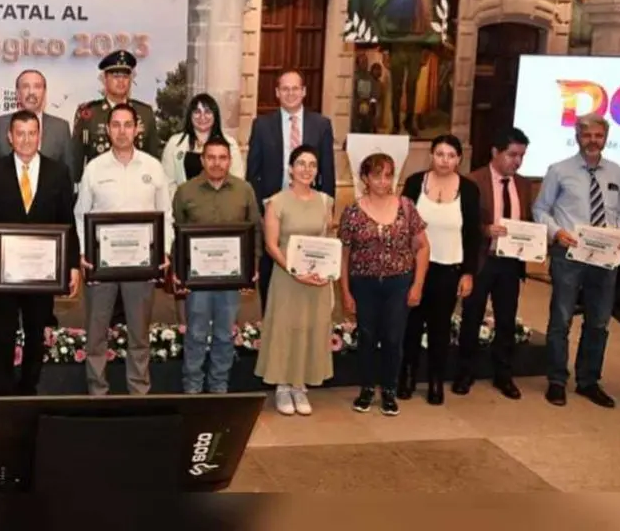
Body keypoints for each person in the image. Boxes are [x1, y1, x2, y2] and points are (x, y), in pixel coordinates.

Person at [0, 110, 82, 395]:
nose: (25, 139)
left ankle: (28, 391)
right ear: (9, 137)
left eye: (31, 133)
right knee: (3, 336)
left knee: (37, 334)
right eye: (19, 133)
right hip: (2, 273)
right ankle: (5, 394)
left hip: (42, 274)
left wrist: (72, 266)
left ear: (40, 136)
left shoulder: (58, 172)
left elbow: (67, 223)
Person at [533, 113, 620, 408]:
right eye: (587, 135)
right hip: (569, 254)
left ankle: (588, 381)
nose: (593, 141)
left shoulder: (617, 173)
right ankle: (556, 380)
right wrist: (557, 232)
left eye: (598, 136)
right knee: (561, 319)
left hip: (606, 258)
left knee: (599, 322)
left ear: (605, 139)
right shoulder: (559, 171)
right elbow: (540, 209)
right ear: (577, 136)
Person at [74, 103, 173, 395]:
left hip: (141, 266)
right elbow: (81, 214)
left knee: (139, 335)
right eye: (115, 125)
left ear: (137, 129)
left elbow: (165, 214)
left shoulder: (153, 167)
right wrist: (83, 253)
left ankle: (139, 391)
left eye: (127, 125)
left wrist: (164, 252)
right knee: (96, 334)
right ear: (107, 129)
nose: (121, 131)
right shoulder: (94, 168)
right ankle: (97, 392)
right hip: (101, 266)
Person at [338, 153, 430, 417]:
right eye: (376, 175)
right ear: (365, 178)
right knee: (367, 337)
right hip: (363, 283)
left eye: (388, 174)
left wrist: (418, 285)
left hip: (399, 283)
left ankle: (389, 390)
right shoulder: (353, 212)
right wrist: (345, 291)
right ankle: (366, 388)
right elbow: (344, 256)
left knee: (393, 338)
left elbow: (422, 247)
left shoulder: (406, 207)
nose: (383, 181)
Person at [171, 138, 262, 394]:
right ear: (202, 160)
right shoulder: (185, 191)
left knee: (224, 334)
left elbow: (254, 230)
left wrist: (252, 265)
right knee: (196, 334)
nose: (216, 163)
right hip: (197, 281)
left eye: (222, 157)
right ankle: (192, 387)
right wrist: (179, 272)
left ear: (230, 160)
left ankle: (219, 386)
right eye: (211, 157)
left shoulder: (244, 191)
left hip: (231, 279)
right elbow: (176, 235)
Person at [399, 135, 482, 405]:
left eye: (450, 156)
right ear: (431, 156)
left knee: (439, 328)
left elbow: (472, 236)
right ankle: (406, 376)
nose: (444, 160)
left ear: (458, 159)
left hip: (449, 269)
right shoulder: (414, 183)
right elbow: (401, 226)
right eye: (439, 154)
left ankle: (436, 381)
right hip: (414, 269)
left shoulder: (468, 190)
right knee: (410, 326)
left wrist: (468, 272)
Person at [255, 145, 337, 416]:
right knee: (285, 328)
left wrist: (324, 271)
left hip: (316, 279)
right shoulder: (276, 202)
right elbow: (271, 245)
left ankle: (300, 386)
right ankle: (282, 386)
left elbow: (327, 242)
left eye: (312, 164)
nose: (306, 169)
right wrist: (294, 270)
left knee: (310, 328)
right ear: (290, 168)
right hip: (287, 277)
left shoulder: (326, 201)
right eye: (300, 163)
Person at [245, 69, 337, 312]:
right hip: (274, 210)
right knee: (271, 268)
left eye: (295, 88)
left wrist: (328, 209)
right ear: (277, 93)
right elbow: (252, 173)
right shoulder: (262, 125)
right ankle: (272, 319)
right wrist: (260, 212)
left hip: (309, 208)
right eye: (284, 89)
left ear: (304, 91)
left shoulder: (322, 125)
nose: (290, 93)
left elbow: (328, 170)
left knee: (311, 266)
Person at [454, 127, 534, 399]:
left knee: (506, 320)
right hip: (481, 260)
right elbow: (463, 224)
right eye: (512, 155)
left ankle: (504, 374)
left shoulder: (523, 185)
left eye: (522, 156)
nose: (517, 161)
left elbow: (528, 221)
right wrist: (485, 230)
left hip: (510, 263)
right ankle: (465, 372)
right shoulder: (473, 181)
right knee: (472, 317)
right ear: (495, 152)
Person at [71, 50, 161, 182]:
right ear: (104, 79)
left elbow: (153, 158)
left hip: (137, 187)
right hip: (100, 187)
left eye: (125, 76)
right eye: (115, 76)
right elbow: (76, 160)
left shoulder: (145, 113)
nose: (121, 81)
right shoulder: (88, 113)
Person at [0, 69, 77, 181]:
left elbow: (69, 175)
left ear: (44, 92)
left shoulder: (61, 127)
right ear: (17, 93)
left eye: (37, 87)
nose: (31, 92)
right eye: (25, 86)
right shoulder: (0, 124)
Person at [161, 92, 244, 191]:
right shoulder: (174, 143)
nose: (202, 117)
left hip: (220, 204)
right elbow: (167, 182)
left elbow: (238, 181)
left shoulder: (230, 144)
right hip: (184, 203)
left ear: (215, 115)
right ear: (190, 116)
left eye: (207, 112)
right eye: (197, 112)